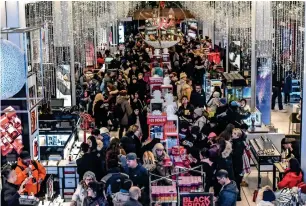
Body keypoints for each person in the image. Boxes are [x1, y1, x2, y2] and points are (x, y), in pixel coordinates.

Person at [231, 128, 246, 201]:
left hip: (237, 165)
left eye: (234, 133)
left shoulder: (238, 143)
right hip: (237, 164)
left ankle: (237, 196)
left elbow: (236, 155)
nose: (232, 134)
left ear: (238, 135)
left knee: (236, 181)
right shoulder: (236, 142)